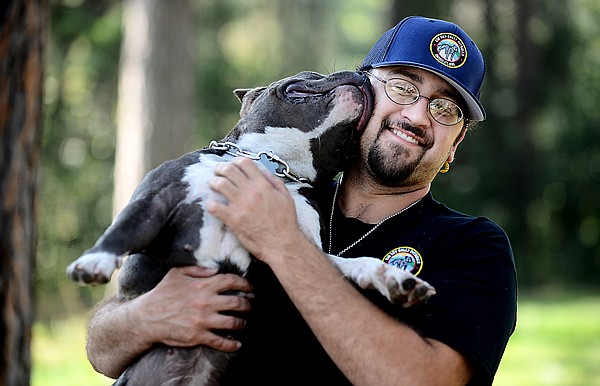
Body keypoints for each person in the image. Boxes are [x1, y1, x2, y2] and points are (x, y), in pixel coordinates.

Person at [86, 16, 517, 386]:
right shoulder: (261, 190)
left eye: (445, 109)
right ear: (360, 94)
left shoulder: (473, 246)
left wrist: (284, 244)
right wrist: (148, 316)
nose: (418, 116)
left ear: (455, 143)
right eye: (403, 87)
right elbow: (102, 351)